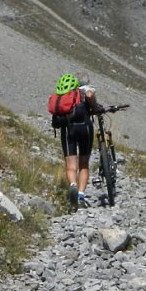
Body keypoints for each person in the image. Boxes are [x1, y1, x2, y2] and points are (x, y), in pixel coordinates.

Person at [53, 73, 98, 207]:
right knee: (83, 164)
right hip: (85, 129)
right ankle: (80, 195)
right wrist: (95, 108)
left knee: (71, 166)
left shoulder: (64, 95)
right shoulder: (84, 92)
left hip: (68, 130)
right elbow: (90, 96)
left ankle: (73, 184)